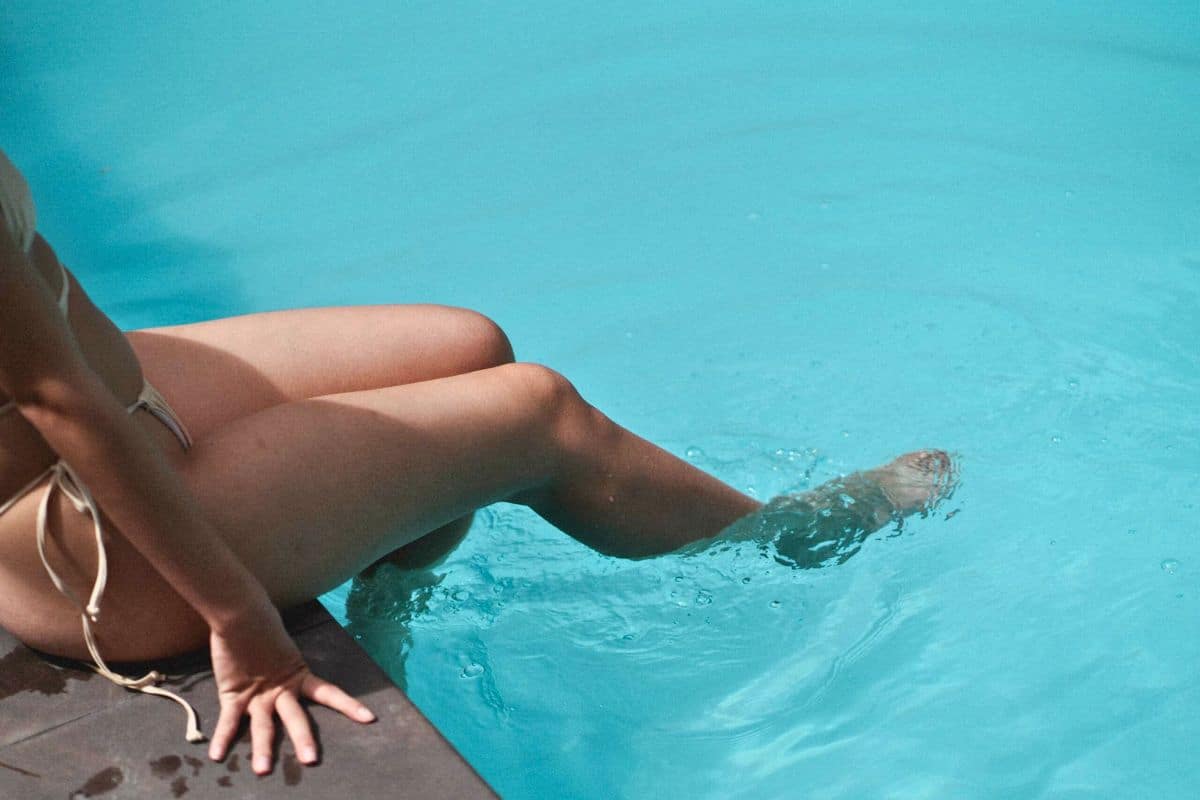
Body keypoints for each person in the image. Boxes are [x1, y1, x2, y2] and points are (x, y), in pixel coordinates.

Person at [0, 147, 955, 776]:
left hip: (122, 393)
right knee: (540, 418)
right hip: (81, 533)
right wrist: (242, 620)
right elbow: (56, 404)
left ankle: (388, 597)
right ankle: (792, 536)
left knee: (469, 344)